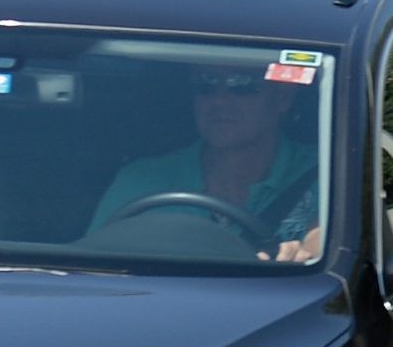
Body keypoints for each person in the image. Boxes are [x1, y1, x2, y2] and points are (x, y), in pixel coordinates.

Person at [91, 63, 326, 262]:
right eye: (206, 84)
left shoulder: (331, 174)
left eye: (242, 85)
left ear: (282, 97)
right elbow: (95, 267)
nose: (219, 101)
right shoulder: (141, 180)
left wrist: (312, 253)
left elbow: (336, 250)